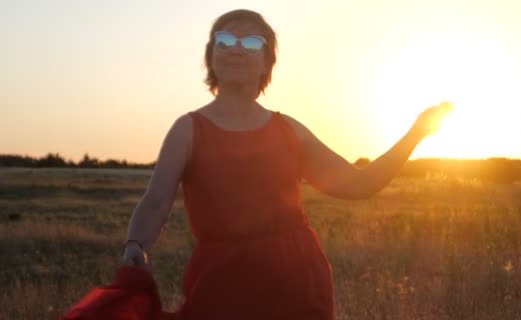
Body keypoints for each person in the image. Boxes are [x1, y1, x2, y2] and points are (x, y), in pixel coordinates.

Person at [122, 8, 452, 320]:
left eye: (251, 42)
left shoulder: (289, 130)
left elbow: (359, 184)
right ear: (211, 55)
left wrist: (416, 133)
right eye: (224, 40)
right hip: (221, 280)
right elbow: (156, 201)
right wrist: (136, 244)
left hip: (299, 279)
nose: (236, 49)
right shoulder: (188, 129)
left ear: (268, 61)